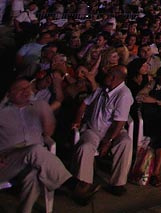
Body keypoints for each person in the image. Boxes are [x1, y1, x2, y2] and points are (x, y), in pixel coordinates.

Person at [0, 77, 98, 210]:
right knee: (35, 150)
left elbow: (48, 133)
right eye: (20, 89)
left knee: (33, 175)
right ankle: (72, 185)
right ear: (10, 93)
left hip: (33, 161)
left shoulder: (38, 107)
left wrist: (46, 115)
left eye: (27, 88)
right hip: (7, 161)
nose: (25, 91)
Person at [71, 64, 134, 197]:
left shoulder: (124, 94)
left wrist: (108, 141)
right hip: (93, 129)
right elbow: (84, 104)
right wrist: (77, 120)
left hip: (113, 132)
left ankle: (118, 183)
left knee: (125, 142)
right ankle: (84, 185)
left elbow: (119, 122)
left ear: (113, 78)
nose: (104, 76)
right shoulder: (101, 89)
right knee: (85, 147)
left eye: (107, 74)